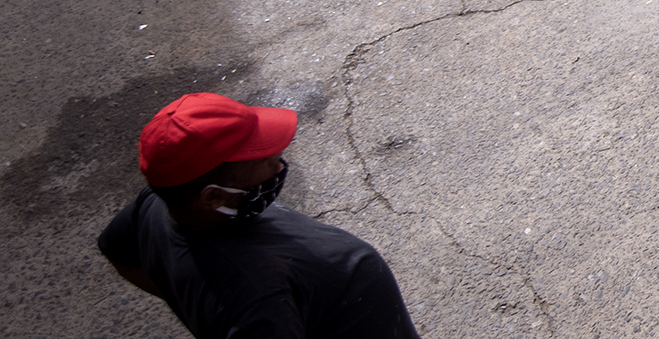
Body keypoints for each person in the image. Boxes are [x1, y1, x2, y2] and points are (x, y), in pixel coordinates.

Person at [97, 91, 421, 339]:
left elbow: (117, 249)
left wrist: (187, 298)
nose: (279, 165)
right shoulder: (259, 302)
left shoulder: (156, 206)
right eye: (265, 159)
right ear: (213, 197)